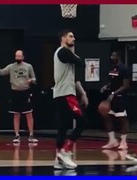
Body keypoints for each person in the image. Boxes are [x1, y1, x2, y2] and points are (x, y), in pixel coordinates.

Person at [53, 29, 89, 169]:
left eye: (74, 36)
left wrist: (83, 93)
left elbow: (73, 78)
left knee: (63, 127)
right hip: (66, 94)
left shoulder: (65, 55)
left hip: (60, 94)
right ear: (63, 38)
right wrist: (73, 51)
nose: (73, 39)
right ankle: (66, 150)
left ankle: (58, 159)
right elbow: (82, 63)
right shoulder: (63, 52)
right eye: (70, 36)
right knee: (82, 121)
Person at [0, 50, 38, 143]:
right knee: (16, 114)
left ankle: (31, 134)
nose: (18, 58)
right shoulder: (11, 67)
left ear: (23, 57)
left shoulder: (28, 66)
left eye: (19, 56)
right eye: (16, 56)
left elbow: (34, 79)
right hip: (15, 92)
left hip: (25, 92)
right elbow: (2, 72)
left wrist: (31, 80)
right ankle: (17, 135)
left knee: (29, 114)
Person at [100, 51, 131, 150]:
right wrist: (106, 86)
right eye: (111, 55)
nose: (111, 57)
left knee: (122, 119)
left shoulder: (124, 69)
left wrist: (114, 93)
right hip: (111, 97)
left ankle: (123, 142)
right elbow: (112, 81)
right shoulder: (112, 68)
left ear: (118, 56)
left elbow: (126, 85)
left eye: (113, 55)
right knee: (107, 116)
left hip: (120, 97)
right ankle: (112, 140)